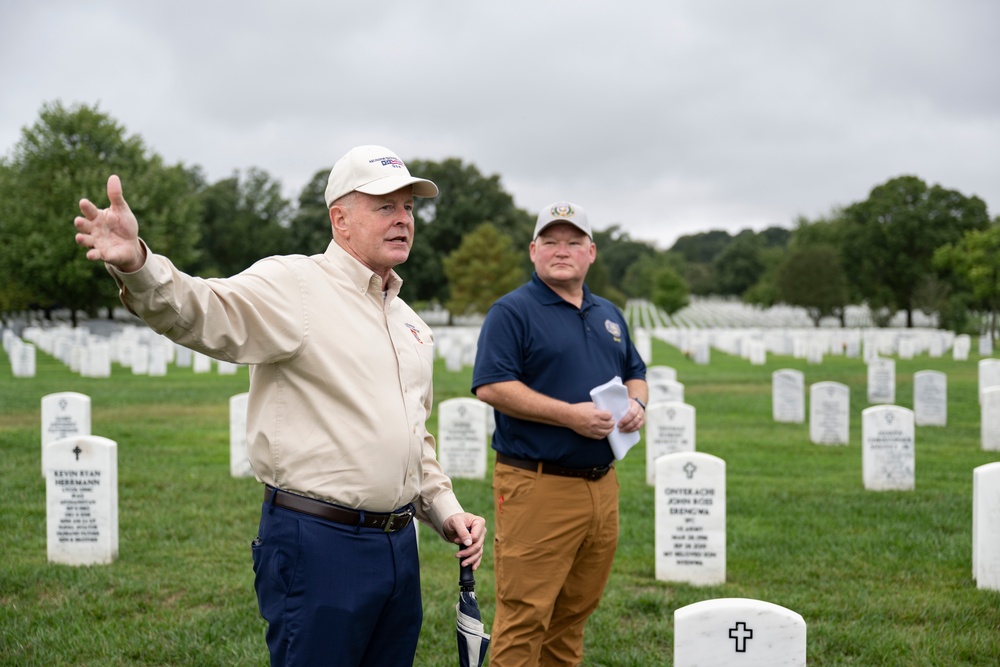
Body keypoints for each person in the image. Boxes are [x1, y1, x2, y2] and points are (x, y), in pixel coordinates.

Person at [73, 145, 487, 667]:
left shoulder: (409, 323)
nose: (403, 219)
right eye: (385, 206)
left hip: (399, 547)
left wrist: (445, 510)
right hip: (318, 544)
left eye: (408, 207)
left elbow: (412, 438)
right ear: (340, 218)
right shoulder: (296, 285)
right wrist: (138, 264)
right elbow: (203, 311)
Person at [472, 201, 647, 666]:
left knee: (572, 615)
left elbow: (636, 371)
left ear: (592, 252)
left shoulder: (608, 312)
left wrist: (638, 405)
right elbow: (491, 385)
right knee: (525, 616)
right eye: (550, 241)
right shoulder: (513, 312)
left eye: (573, 242)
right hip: (538, 483)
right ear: (533, 251)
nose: (561, 250)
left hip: (601, 485)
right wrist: (569, 416)